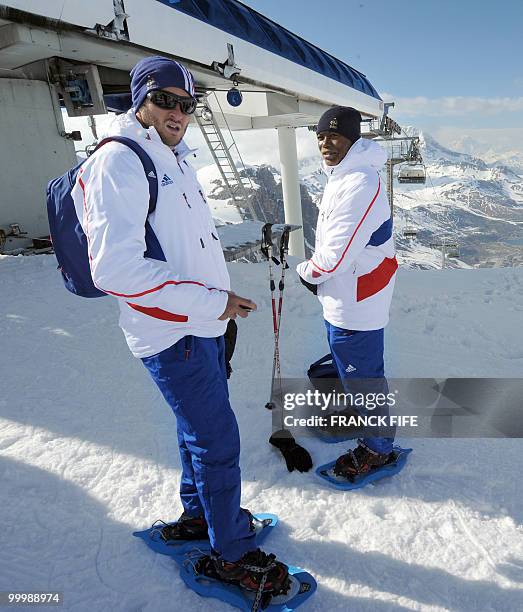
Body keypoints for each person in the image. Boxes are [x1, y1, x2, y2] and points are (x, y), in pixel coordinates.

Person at [71, 56, 289, 596]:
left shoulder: (169, 155)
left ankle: (200, 520)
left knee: (196, 432)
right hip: (174, 333)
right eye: (164, 99)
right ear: (139, 100)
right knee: (218, 441)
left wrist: (216, 308)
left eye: (186, 104)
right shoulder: (120, 161)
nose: (177, 112)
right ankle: (230, 555)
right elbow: (116, 269)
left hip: (201, 325)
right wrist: (211, 304)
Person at [296, 106, 398, 478]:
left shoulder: (359, 181)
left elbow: (334, 257)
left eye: (335, 136)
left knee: (363, 377)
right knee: (354, 370)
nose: (326, 143)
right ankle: (361, 422)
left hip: (357, 300)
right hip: (346, 294)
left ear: (353, 139)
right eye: (321, 136)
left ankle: (379, 448)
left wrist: (307, 271)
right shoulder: (343, 175)